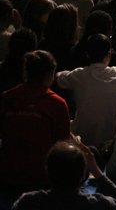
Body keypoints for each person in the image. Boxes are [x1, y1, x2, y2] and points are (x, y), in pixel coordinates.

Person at [0, 50, 71, 189]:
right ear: (50, 74)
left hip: (8, 174)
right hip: (42, 178)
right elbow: (63, 145)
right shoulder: (57, 103)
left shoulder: (7, 97)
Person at [55, 34, 116, 147]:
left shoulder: (78, 75)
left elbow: (60, 79)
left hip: (82, 137)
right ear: (108, 55)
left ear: (87, 54)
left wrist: (61, 73)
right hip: (109, 137)